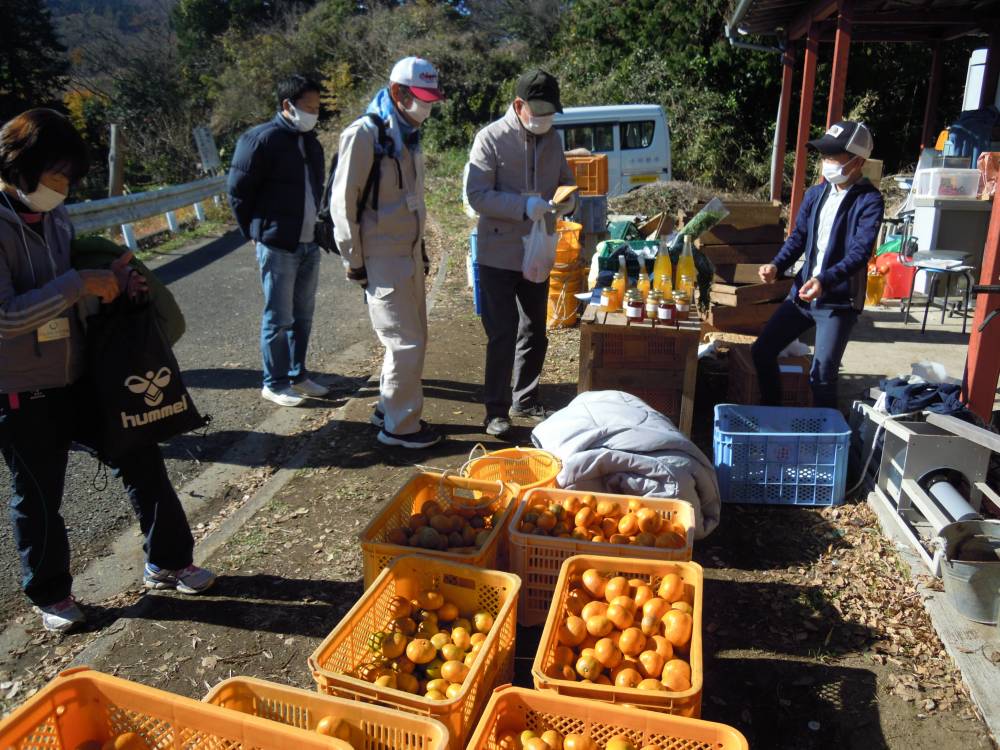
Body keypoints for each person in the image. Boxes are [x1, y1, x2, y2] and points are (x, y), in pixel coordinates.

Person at [0, 109, 215, 633]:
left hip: (82, 373)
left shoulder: (54, 217)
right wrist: (79, 284)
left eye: (71, 178)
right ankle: (50, 593)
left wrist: (114, 283)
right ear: (20, 166)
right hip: (21, 388)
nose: (65, 188)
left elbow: (74, 292)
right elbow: (5, 316)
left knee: (141, 456)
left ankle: (168, 560)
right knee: (39, 493)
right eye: (58, 175)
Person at [330, 57, 444, 449]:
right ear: (398, 92)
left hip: (407, 254)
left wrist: (422, 249)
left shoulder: (406, 134)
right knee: (403, 341)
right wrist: (354, 262)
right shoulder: (364, 135)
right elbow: (342, 206)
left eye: (431, 99)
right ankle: (400, 427)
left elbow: (411, 202)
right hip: (380, 256)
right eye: (421, 99)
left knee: (415, 337)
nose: (427, 107)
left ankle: (387, 407)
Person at [465, 69, 576, 438]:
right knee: (501, 334)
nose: (545, 120)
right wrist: (522, 205)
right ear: (519, 105)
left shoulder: (553, 140)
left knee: (535, 329)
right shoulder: (490, 139)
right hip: (497, 253)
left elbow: (564, 181)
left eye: (550, 114)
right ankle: (495, 411)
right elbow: (476, 195)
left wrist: (568, 200)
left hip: (538, 249)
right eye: (538, 113)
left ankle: (525, 398)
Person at [752, 121, 885, 409]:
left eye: (833, 157)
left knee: (822, 377)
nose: (826, 163)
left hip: (837, 302)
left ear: (857, 161)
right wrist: (776, 265)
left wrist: (824, 280)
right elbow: (798, 237)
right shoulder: (816, 194)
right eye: (824, 156)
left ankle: (828, 439)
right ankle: (773, 414)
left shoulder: (870, 201)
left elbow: (859, 253)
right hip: (801, 295)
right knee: (762, 350)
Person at [228, 74, 330, 407]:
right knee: (279, 317)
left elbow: (318, 190)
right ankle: (274, 382)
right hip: (278, 244)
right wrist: (255, 234)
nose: (314, 113)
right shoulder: (260, 140)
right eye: (309, 107)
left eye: (317, 107)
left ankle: (299, 375)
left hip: (308, 243)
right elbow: (238, 193)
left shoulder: (311, 142)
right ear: (287, 105)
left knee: (304, 315)